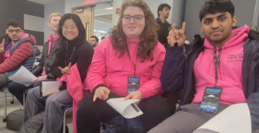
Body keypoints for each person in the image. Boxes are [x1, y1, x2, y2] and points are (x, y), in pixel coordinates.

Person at [148, 0, 259, 132]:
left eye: (221, 18)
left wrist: (248, 114)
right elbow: (171, 85)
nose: (215, 25)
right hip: (199, 109)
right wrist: (175, 49)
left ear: (233, 21)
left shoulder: (252, 49)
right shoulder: (196, 52)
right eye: (208, 21)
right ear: (201, 27)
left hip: (239, 110)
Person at [76, 0, 173, 133]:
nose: (131, 21)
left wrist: (141, 93)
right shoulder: (105, 44)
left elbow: (157, 80)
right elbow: (94, 72)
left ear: (146, 21)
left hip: (142, 96)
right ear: (121, 20)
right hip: (110, 96)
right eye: (127, 17)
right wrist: (98, 86)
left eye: (137, 17)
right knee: (85, 107)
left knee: (161, 109)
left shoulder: (158, 48)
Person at [23, 13, 94, 133]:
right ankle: (30, 129)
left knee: (53, 100)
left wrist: (61, 87)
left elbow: (81, 77)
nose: (68, 30)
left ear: (79, 28)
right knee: (32, 93)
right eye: (65, 26)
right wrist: (65, 74)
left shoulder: (85, 48)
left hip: (78, 87)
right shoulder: (63, 45)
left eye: (73, 26)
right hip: (63, 82)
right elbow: (53, 68)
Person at [7, 13, 62, 105]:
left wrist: (46, 76)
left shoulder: (64, 43)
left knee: (37, 85)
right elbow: (41, 64)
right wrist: (30, 76)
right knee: (13, 86)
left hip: (54, 77)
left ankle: (37, 109)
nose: (57, 23)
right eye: (55, 20)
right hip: (43, 75)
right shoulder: (47, 43)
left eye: (60, 21)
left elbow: (61, 65)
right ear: (48, 23)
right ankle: (31, 108)